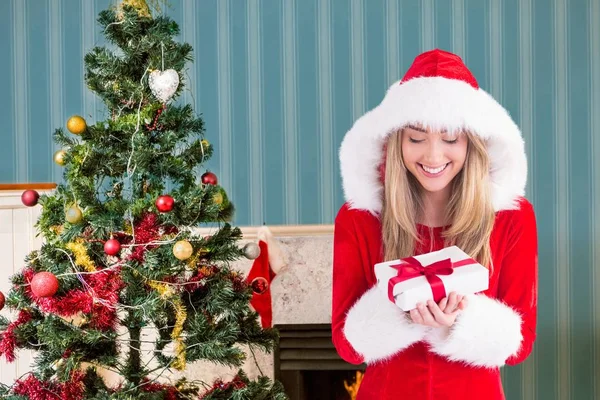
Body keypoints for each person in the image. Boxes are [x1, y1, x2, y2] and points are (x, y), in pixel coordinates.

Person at [332, 49, 538, 400]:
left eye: (450, 138)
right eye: (416, 138)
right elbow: (347, 345)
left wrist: (459, 321)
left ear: (472, 142)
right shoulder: (359, 219)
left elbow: (520, 345)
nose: (432, 156)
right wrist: (399, 314)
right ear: (396, 142)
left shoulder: (511, 218)